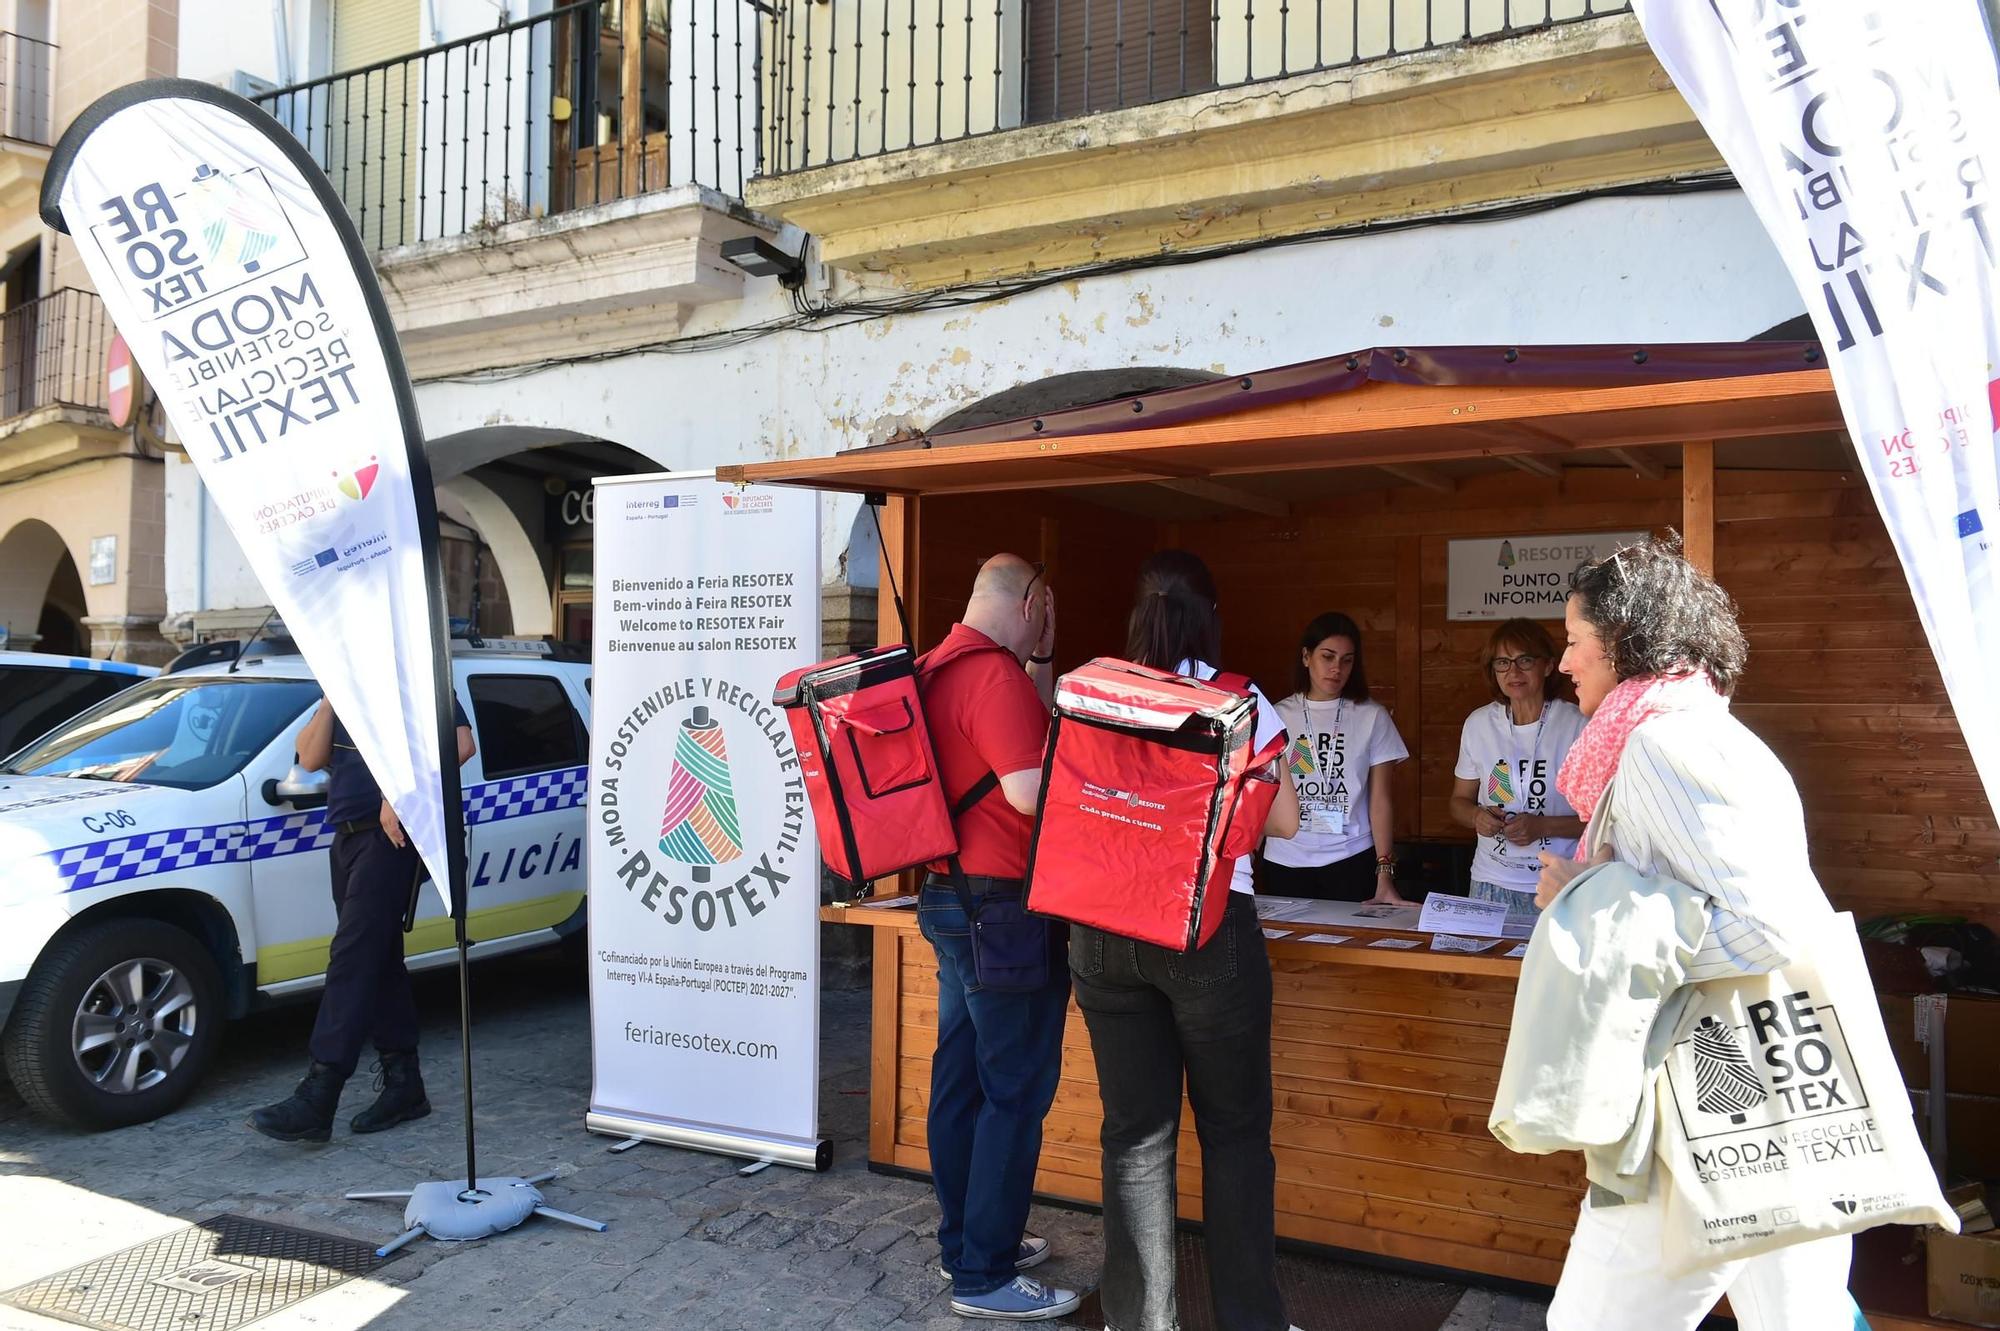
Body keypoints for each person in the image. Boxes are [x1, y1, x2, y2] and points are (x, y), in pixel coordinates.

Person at [1535, 537, 1849, 1331]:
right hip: (1783, 1086)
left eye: (1575, 641)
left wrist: (1584, 904)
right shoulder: (1704, 727)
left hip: (1706, 1099)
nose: (1563, 663)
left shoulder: (1658, 745)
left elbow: (1761, 925)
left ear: (1626, 640)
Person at [1070, 550, 1301, 1331]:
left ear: (1137, 615)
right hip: (1204, 929)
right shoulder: (1240, 701)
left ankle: (1140, 1322)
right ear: (1212, 617)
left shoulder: (1091, 689)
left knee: (1134, 1134)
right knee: (1235, 1136)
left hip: (1099, 926)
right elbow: (1285, 821)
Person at [914, 554, 1081, 1322]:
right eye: (1044, 609)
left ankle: (966, 1242)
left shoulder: (936, 665)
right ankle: (983, 1274)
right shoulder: (994, 677)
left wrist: (1041, 659)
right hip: (1005, 911)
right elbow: (1028, 789)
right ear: (1032, 600)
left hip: (949, 895)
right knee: (1014, 1091)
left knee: (963, 1081)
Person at [249, 697, 475, 1143]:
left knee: (352, 957)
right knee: (378, 958)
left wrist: (403, 796)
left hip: (391, 837)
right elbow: (311, 758)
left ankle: (321, 1092)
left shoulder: (407, 666)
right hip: (348, 837)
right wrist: (331, 698)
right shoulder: (345, 679)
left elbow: (462, 745)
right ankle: (405, 1085)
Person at [1257, 611, 1408, 903]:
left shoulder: (1371, 716)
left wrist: (1384, 871)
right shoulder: (1276, 715)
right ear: (1306, 657)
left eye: (1347, 660)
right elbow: (1263, 792)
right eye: (1328, 656)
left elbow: (1381, 801)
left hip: (1350, 856)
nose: (1337, 668)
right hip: (1286, 858)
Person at [1447, 618, 1585, 926]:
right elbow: (1459, 801)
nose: (1513, 672)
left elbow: (1605, 819)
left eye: (1524, 660)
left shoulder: (1577, 724)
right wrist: (1475, 817)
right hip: (1490, 882)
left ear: (1548, 666)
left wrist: (1543, 827)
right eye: (1502, 663)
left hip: (1558, 883)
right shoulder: (1478, 724)